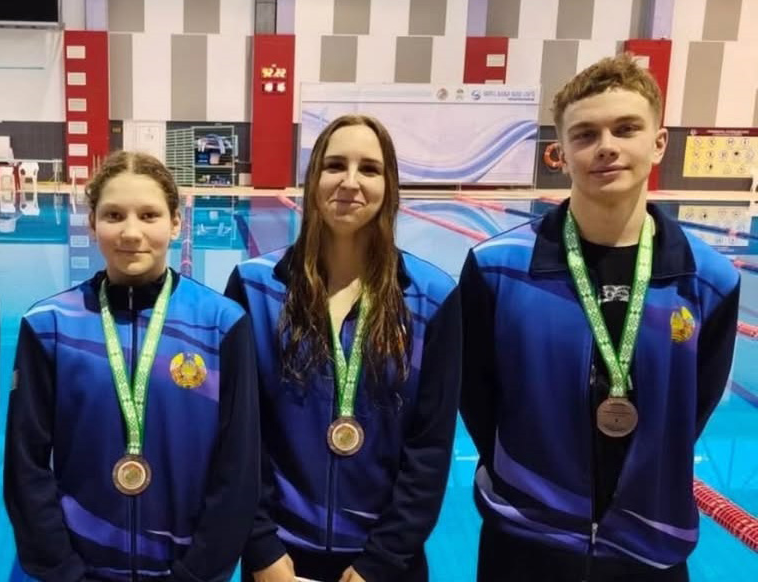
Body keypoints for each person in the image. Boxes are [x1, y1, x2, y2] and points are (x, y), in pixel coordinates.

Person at [458, 54, 740, 581]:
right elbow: (477, 397)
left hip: (649, 544)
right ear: (560, 154)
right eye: (585, 135)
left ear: (659, 143)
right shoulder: (497, 268)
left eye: (626, 128)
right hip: (525, 539)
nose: (606, 146)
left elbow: (693, 408)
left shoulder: (708, 280)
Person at [225, 114, 462, 582]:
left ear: (389, 186)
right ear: (313, 178)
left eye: (369, 169)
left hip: (385, 565)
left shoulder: (432, 297)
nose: (350, 182)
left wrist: (383, 559)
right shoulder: (255, 288)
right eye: (335, 165)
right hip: (280, 561)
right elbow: (239, 435)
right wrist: (260, 546)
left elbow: (430, 447)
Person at [5, 151, 259, 582]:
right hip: (78, 571)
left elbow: (238, 466)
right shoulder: (50, 325)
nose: (131, 232)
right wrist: (64, 572)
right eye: (113, 215)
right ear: (91, 224)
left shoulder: (222, 324)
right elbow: (25, 464)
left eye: (149, 215)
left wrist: (196, 574)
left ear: (176, 223)